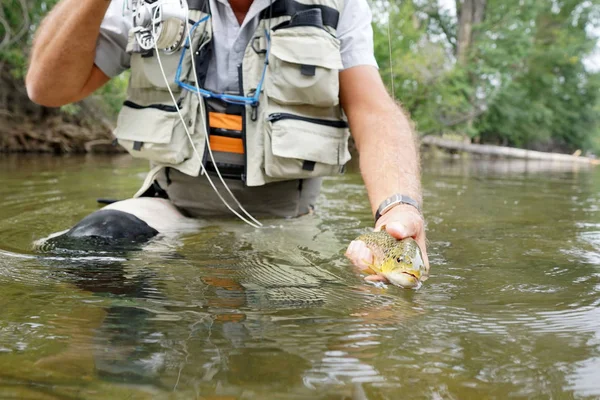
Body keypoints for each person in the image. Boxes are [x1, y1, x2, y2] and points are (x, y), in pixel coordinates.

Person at [25, 0, 429, 280]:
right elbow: (48, 89)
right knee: (89, 250)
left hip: (285, 221)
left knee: (293, 327)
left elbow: (374, 111)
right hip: (172, 206)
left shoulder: (338, 6)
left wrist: (397, 206)